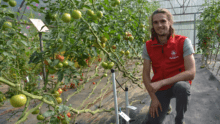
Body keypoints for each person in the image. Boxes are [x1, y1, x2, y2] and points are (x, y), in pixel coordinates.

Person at [142, 8, 196, 124]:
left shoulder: (183, 42)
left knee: (183, 88)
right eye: (155, 22)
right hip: (161, 90)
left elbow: (191, 73)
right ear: (152, 25)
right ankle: (165, 104)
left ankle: (179, 119)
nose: (159, 25)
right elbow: (145, 75)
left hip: (177, 84)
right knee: (152, 122)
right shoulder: (148, 46)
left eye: (163, 21)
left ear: (170, 22)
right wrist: (153, 98)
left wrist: (162, 82)